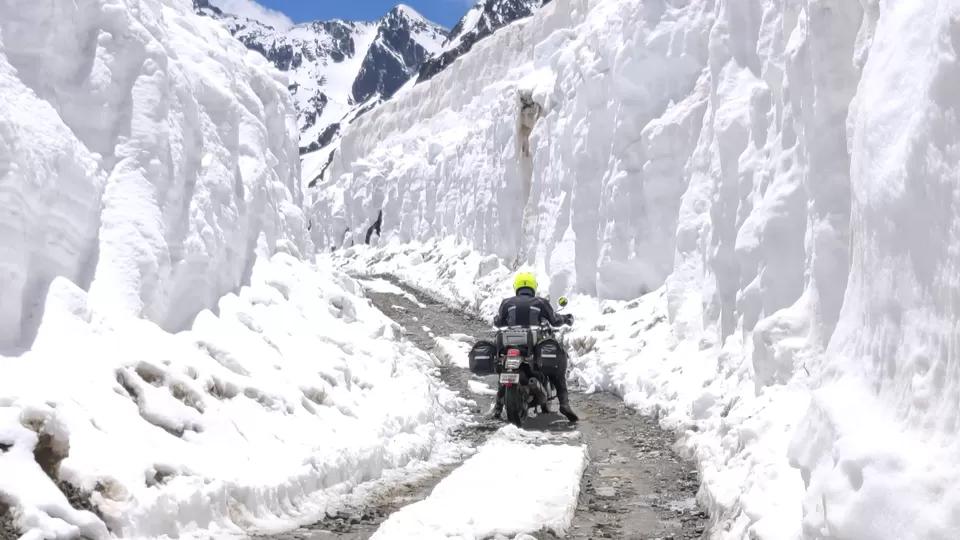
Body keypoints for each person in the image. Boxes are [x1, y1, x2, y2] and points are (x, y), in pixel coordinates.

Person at [491, 271, 579, 423]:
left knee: (504, 369)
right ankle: (564, 405)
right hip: (531, 346)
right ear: (533, 286)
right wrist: (565, 318)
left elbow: (498, 322)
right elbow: (555, 320)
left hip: (509, 345)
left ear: (516, 286)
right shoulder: (540, 302)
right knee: (558, 369)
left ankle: (498, 406)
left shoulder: (506, 303)